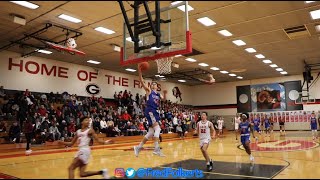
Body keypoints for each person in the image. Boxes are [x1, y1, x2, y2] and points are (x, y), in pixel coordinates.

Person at [134, 63, 165, 157]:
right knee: (158, 128)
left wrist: (165, 93)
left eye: (155, 84)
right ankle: (156, 149)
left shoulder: (158, 94)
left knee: (151, 132)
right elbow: (142, 81)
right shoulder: (149, 91)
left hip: (155, 111)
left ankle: (138, 148)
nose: (153, 84)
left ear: (157, 86)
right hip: (150, 111)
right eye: (152, 84)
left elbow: (163, 98)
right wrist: (139, 71)